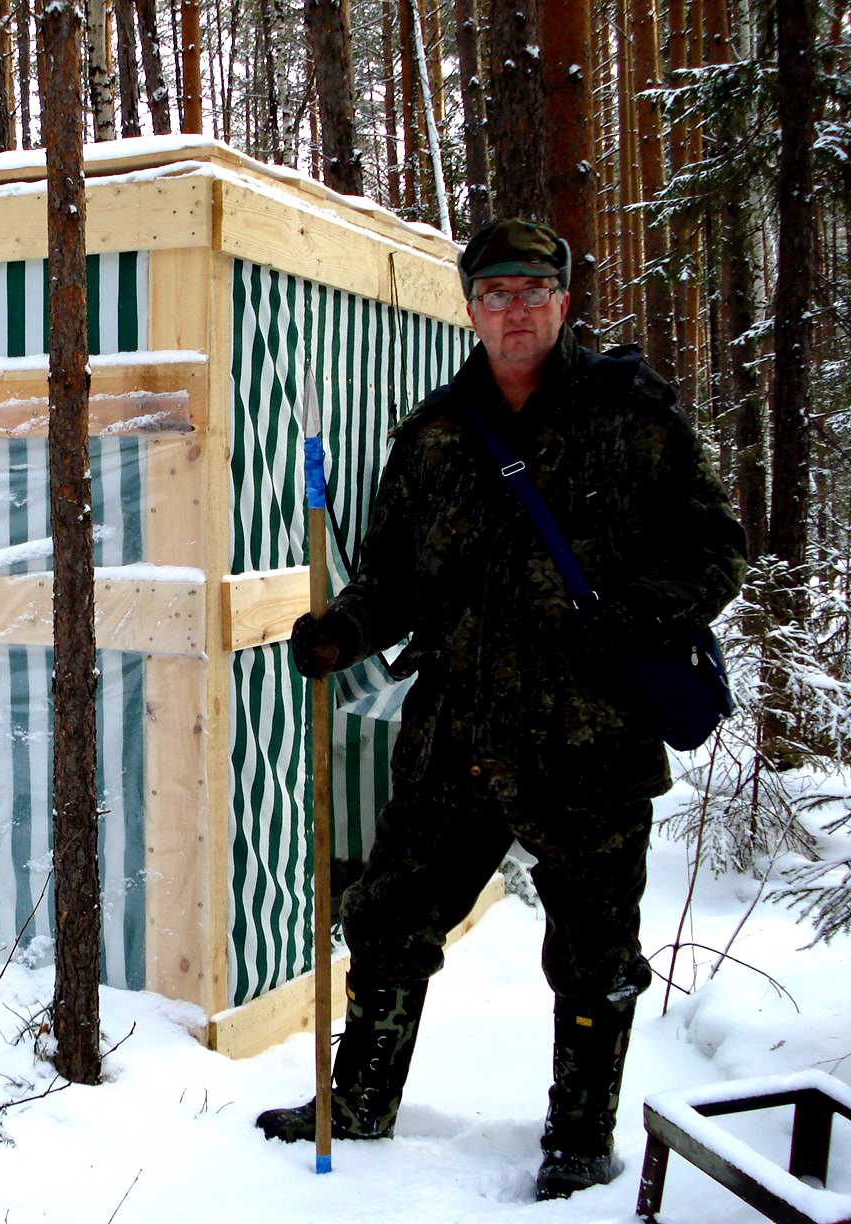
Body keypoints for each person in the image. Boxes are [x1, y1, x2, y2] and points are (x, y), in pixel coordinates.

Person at [255, 218, 748, 1201]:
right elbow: (390, 575)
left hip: (589, 741)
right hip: (456, 738)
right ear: (471, 307)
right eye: (495, 291)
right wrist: (343, 631)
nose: (514, 307)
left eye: (533, 288)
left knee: (594, 950)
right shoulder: (433, 436)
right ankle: (360, 1101)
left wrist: (633, 619)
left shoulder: (631, 422)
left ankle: (578, 1137)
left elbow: (715, 549)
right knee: (390, 917)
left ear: (562, 302)